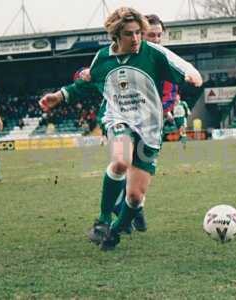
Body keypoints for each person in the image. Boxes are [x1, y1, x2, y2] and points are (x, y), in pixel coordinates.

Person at [39, 7, 202, 250]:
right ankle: (103, 220)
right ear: (116, 36)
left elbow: (182, 65)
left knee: (135, 197)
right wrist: (60, 96)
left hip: (149, 127)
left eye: (138, 33)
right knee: (120, 162)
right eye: (129, 34)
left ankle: (114, 232)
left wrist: (192, 75)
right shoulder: (103, 58)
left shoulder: (153, 53)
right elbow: (87, 82)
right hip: (118, 119)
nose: (136, 39)